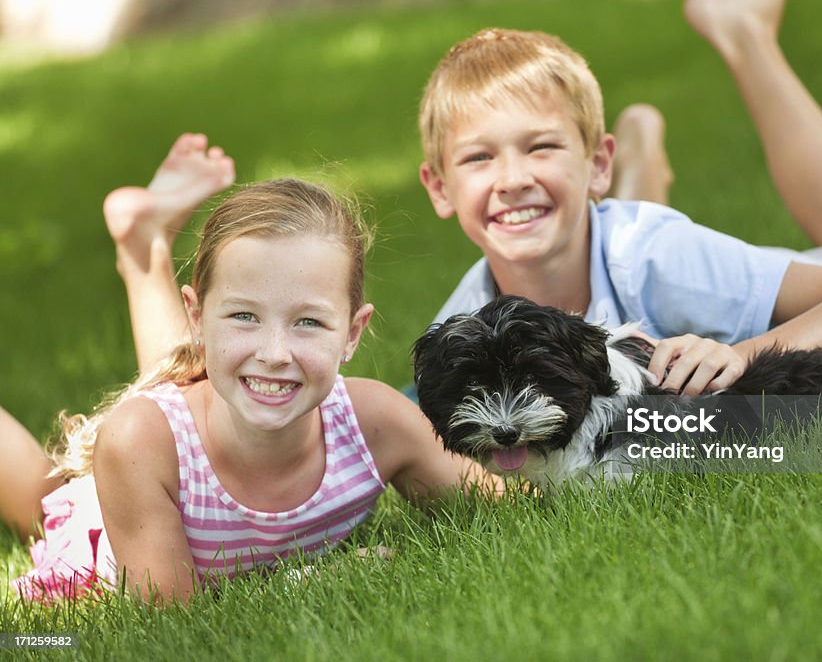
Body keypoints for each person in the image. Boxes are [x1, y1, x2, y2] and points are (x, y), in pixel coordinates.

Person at [4, 134, 498, 604]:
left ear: (352, 332)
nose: (276, 352)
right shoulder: (138, 442)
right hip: (118, 510)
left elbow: (506, 507)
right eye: (245, 315)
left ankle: (144, 246)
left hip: (178, 438)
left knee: (227, 368)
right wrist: (316, 581)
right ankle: (145, 250)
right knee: (40, 500)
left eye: (309, 322)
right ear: (193, 316)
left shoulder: (376, 423)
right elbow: (171, 619)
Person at [417, 0, 822, 397]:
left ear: (598, 165)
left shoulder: (656, 255)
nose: (512, 179)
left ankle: (743, 31)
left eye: (541, 148)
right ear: (439, 188)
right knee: (625, 242)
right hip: (632, 242)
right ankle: (640, 168)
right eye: (479, 157)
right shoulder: (464, 325)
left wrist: (741, 354)